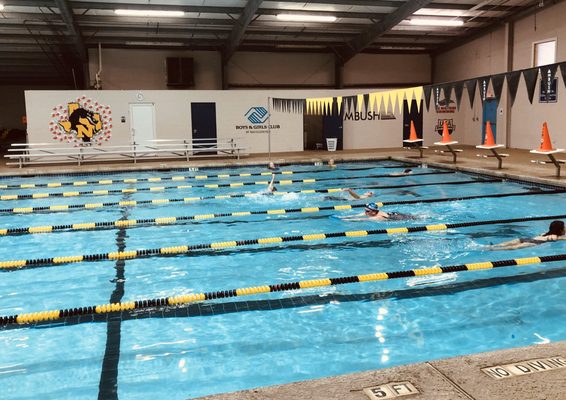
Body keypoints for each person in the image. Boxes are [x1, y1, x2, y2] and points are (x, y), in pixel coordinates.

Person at [487, 220, 566, 250]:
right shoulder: (555, 237)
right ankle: (493, 249)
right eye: (564, 227)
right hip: (533, 242)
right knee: (512, 248)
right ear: (560, 230)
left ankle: (491, 246)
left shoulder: (545, 233)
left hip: (525, 239)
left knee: (504, 244)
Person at [340, 202, 414, 221]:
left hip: (398, 217)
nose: (365, 212)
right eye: (365, 210)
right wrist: (342, 217)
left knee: (416, 217)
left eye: (367, 211)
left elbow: (362, 219)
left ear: (373, 212)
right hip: (393, 213)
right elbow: (357, 215)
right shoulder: (370, 212)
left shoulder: (378, 217)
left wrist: (347, 220)